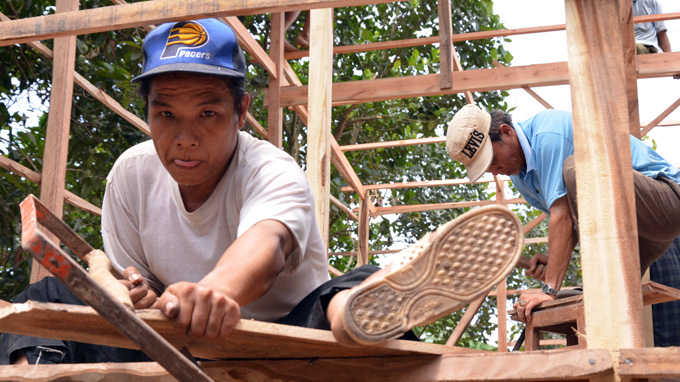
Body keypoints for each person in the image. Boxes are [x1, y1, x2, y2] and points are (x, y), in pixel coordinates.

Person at [1, 19, 524, 365]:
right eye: (166, 115)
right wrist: (136, 292)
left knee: (339, 296)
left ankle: (362, 310)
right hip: (177, 342)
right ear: (148, 113)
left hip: (287, 341)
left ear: (241, 111)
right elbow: (139, 286)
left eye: (207, 113)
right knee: (47, 298)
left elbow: (268, 246)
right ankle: (35, 375)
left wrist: (217, 292)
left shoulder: (272, 171)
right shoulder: (131, 176)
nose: (184, 137)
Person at [445, 104, 680, 324]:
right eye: (489, 169)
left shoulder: (547, 134)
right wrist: (551, 258)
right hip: (638, 239)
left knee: (578, 167)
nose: (497, 172)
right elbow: (574, 222)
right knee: (593, 300)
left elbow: (562, 218)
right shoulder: (521, 179)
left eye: (494, 160)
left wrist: (549, 290)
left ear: (506, 132)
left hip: (666, 201)